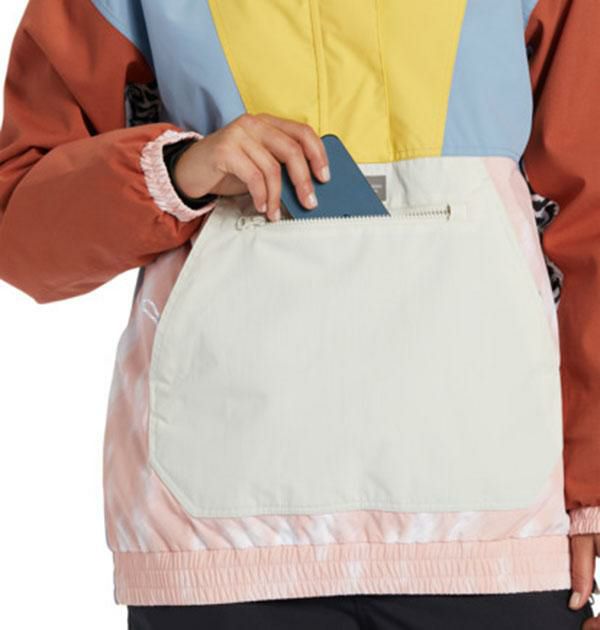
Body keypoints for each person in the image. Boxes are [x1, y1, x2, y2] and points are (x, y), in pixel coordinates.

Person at [0, 1, 598, 628]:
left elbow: (590, 206)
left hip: (495, 518)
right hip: (220, 528)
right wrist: (180, 171)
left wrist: (593, 486)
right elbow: (21, 225)